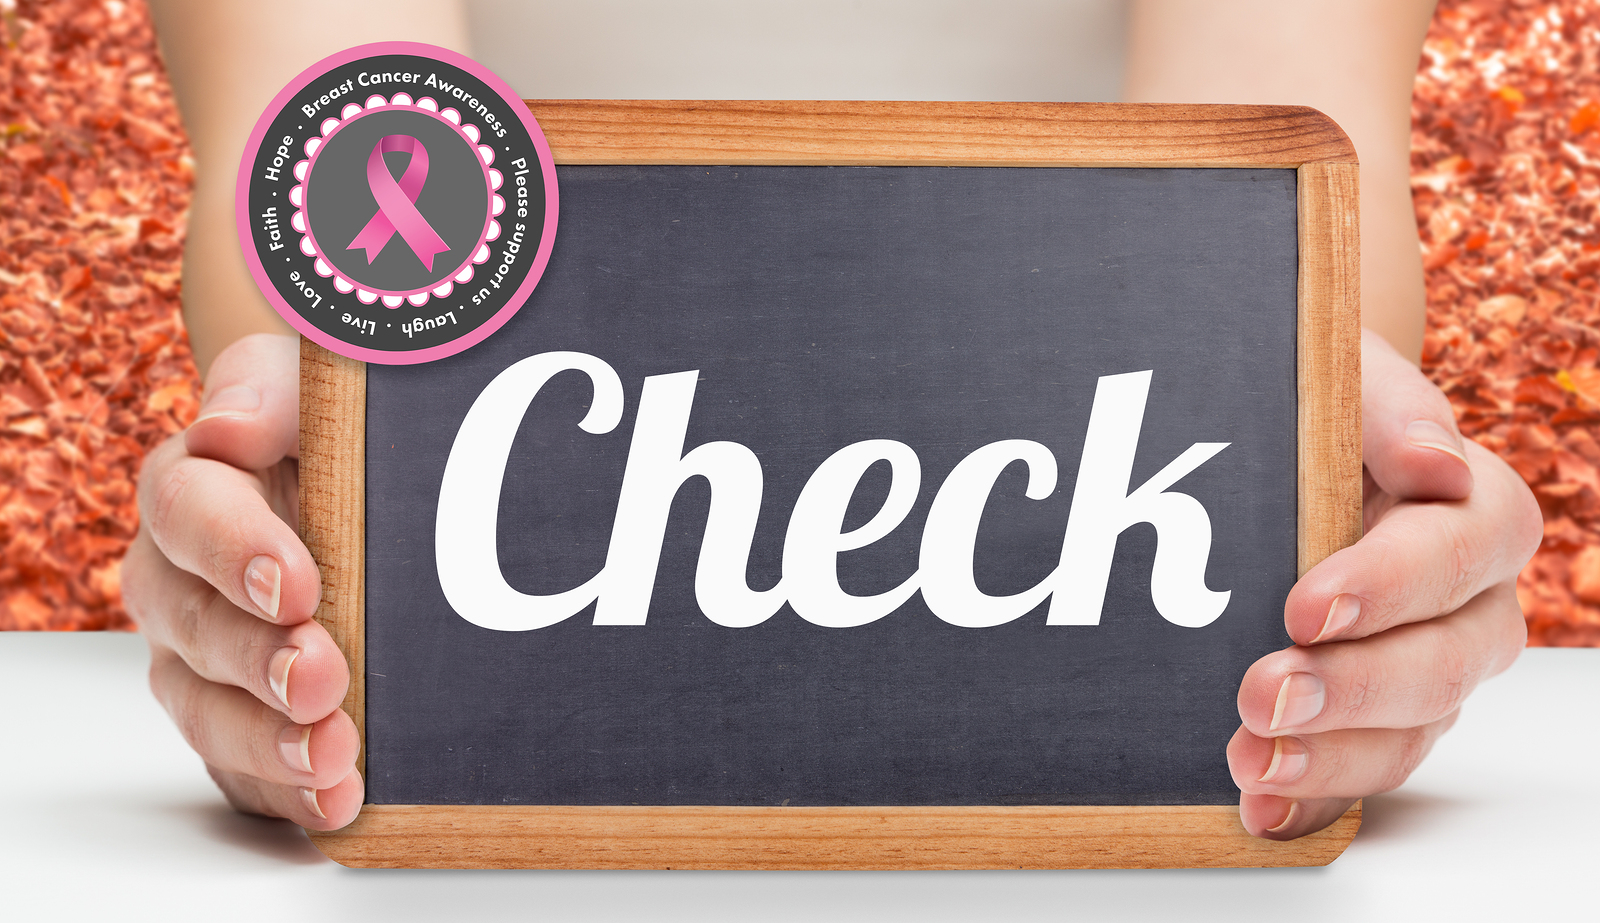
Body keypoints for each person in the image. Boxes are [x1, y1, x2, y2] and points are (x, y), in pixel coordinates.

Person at [127, 0, 1541, 838]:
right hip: (505, 697)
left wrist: (1331, 483)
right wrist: (288, 473)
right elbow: (337, 172)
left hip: (1083, 676)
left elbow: (1259, 208)